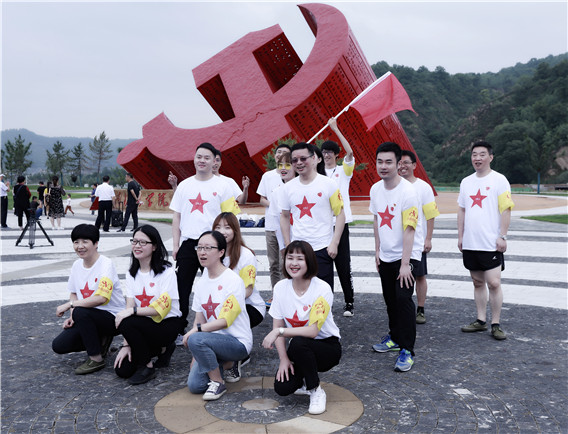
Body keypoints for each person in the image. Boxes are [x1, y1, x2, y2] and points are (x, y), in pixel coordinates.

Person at [169, 143, 240, 343]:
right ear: (194, 158)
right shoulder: (184, 185)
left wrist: (228, 246)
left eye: (207, 157)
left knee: (217, 286)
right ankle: (179, 328)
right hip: (188, 244)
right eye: (199, 156)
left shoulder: (223, 186)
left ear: (214, 161)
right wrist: (176, 245)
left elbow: (230, 218)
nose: (202, 161)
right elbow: (177, 217)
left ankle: (218, 327)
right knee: (181, 288)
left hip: (214, 244)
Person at [262, 240, 341, 415]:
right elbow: (277, 324)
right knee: (283, 387)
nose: (294, 263)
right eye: (290, 258)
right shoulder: (280, 288)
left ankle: (315, 390)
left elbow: (312, 331)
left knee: (298, 343)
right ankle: (305, 378)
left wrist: (278, 332)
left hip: (327, 347)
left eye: (300, 258)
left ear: (309, 261)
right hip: (300, 349)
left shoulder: (322, 288)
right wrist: (283, 359)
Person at [369, 142, 421, 372]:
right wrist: (377, 250)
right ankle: (395, 337)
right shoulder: (375, 189)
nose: (383, 166)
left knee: (403, 299)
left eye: (388, 162)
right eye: (380, 161)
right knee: (390, 299)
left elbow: (409, 229)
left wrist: (405, 264)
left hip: (407, 256)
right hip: (386, 255)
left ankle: (407, 350)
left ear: (399, 164)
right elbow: (376, 220)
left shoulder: (408, 192)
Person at [183, 231, 252, 401]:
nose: (202, 252)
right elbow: (199, 320)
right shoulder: (201, 283)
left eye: (208, 248)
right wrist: (195, 354)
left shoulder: (233, 280)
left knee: (195, 338)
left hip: (237, 342)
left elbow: (224, 321)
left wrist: (195, 335)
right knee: (195, 385)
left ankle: (218, 382)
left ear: (221, 252)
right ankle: (226, 363)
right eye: (199, 247)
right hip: (212, 342)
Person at [458, 141, 514, 340]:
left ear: (490, 157)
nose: (477, 158)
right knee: (477, 282)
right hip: (471, 241)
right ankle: (480, 320)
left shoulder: (499, 180)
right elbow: (462, 210)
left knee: (494, 283)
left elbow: (506, 209)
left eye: (482, 154)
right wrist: (460, 236)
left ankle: (495, 323)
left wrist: (503, 236)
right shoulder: (466, 182)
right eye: (474, 154)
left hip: (491, 242)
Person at [113, 225, 183, 385]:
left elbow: (160, 308)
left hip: (167, 324)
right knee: (122, 370)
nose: (137, 246)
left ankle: (147, 366)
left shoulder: (167, 271)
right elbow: (129, 306)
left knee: (126, 320)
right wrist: (126, 345)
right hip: (144, 326)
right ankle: (162, 350)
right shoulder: (131, 273)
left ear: (154, 246)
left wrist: (132, 312)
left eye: (143, 242)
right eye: (134, 241)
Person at [52, 224, 125, 374]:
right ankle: (100, 341)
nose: (80, 246)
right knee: (59, 345)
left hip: (113, 318)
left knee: (80, 311)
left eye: (85, 241)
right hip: (87, 316)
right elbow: (73, 292)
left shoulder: (105, 264)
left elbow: (102, 298)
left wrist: (70, 305)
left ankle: (96, 358)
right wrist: (72, 316)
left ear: (96, 243)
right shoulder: (76, 265)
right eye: (76, 242)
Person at [280, 142, 345, 291]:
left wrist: (334, 243)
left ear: (314, 158)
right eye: (294, 160)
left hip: (322, 247)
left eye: (303, 158)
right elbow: (284, 216)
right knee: (299, 291)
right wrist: (288, 244)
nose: (299, 163)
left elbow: (340, 214)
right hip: (298, 250)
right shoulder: (288, 188)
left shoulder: (329, 184)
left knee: (323, 293)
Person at [211, 212, 266, 382]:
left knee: (227, 322)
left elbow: (248, 290)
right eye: (218, 227)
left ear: (235, 230)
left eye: (227, 227)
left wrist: (225, 308)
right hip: (221, 306)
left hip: (249, 307)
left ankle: (236, 358)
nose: (222, 231)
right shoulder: (213, 253)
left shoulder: (246, 255)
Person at [398, 150, 440, 324]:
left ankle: (420, 309)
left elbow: (430, 215)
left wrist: (428, 239)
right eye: (399, 162)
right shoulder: (393, 185)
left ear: (414, 165)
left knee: (420, 276)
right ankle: (401, 308)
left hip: (417, 241)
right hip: (397, 243)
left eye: (406, 163)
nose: (402, 166)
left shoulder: (423, 187)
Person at [323, 118, 356, 317]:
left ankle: (349, 302)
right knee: (323, 264)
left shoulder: (344, 171)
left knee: (343, 265)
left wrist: (335, 128)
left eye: (330, 152)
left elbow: (350, 153)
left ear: (336, 154)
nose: (326, 155)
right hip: (322, 225)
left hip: (340, 223)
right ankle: (325, 301)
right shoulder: (316, 172)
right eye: (323, 152)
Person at [256, 144, 292, 292]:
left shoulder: (293, 178)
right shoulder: (268, 176)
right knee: (273, 263)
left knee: (287, 261)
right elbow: (261, 199)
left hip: (288, 227)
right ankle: (276, 293)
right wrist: (276, 205)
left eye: (285, 153)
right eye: (279, 152)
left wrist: (281, 207)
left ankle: (287, 292)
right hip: (271, 225)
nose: (281, 155)